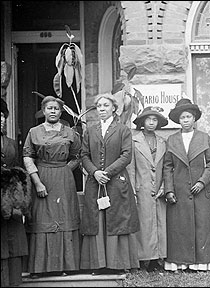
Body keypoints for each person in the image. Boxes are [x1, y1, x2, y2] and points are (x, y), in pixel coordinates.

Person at [80, 93, 140, 274]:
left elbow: (126, 155)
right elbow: (84, 155)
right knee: (96, 220)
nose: (102, 109)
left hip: (116, 182)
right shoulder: (90, 130)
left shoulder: (123, 130)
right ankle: (98, 264)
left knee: (117, 220)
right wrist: (95, 172)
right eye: (99, 106)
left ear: (114, 108)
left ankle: (117, 264)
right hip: (95, 182)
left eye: (105, 106)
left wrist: (107, 172)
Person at [23, 96, 81, 277]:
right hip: (42, 177)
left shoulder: (70, 133)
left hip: (64, 179)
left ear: (61, 111)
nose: (53, 111)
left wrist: (64, 171)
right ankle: (40, 268)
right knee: (43, 218)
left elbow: (77, 155)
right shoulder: (34, 132)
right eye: (49, 108)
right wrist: (37, 182)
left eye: (56, 108)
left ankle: (67, 266)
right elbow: (27, 156)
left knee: (64, 215)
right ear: (44, 110)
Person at [163, 98, 210, 272]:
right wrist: (169, 190)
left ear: (194, 119)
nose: (185, 120)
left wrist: (202, 181)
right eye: (182, 117)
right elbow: (168, 166)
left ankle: (201, 263)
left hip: (200, 191)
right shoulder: (172, 140)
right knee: (180, 227)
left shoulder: (204, 137)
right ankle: (181, 262)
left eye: (188, 117)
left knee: (202, 226)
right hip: (179, 191)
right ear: (178, 120)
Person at [126, 106, 168, 272]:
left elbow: (166, 167)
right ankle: (144, 259)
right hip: (141, 187)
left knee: (159, 223)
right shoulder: (134, 140)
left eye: (155, 119)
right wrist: (133, 190)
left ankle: (158, 258)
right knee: (144, 223)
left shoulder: (162, 141)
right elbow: (131, 168)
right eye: (148, 119)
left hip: (158, 188)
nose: (151, 122)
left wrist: (164, 186)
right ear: (142, 121)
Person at [1, 98, 31, 286]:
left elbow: (19, 170)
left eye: (3, 116)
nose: (1, 120)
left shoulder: (11, 143)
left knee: (12, 242)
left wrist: (19, 199)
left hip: (10, 201)